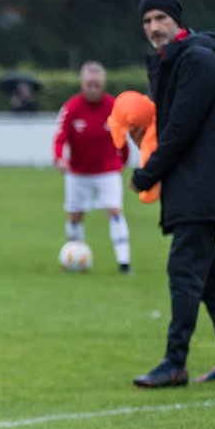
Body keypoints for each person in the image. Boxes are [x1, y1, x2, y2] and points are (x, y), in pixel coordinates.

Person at [129, 0, 215, 387]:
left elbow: (182, 127)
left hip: (203, 185)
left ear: (176, 21)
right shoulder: (177, 61)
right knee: (211, 280)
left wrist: (147, 173)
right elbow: (168, 127)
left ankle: (174, 362)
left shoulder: (197, 59)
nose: (153, 27)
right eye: (147, 21)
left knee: (184, 272)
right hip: (196, 185)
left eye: (160, 18)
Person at [53, 61, 133, 274]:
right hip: (78, 172)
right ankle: (75, 256)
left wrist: (122, 162)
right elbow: (60, 138)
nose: (93, 89)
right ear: (82, 83)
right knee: (76, 215)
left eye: (97, 85)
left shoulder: (114, 106)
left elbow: (122, 140)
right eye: (89, 84)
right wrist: (60, 158)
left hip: (107, 170)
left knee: (115, 211)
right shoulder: (71, 107)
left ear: (103, 83)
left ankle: (124, 262)